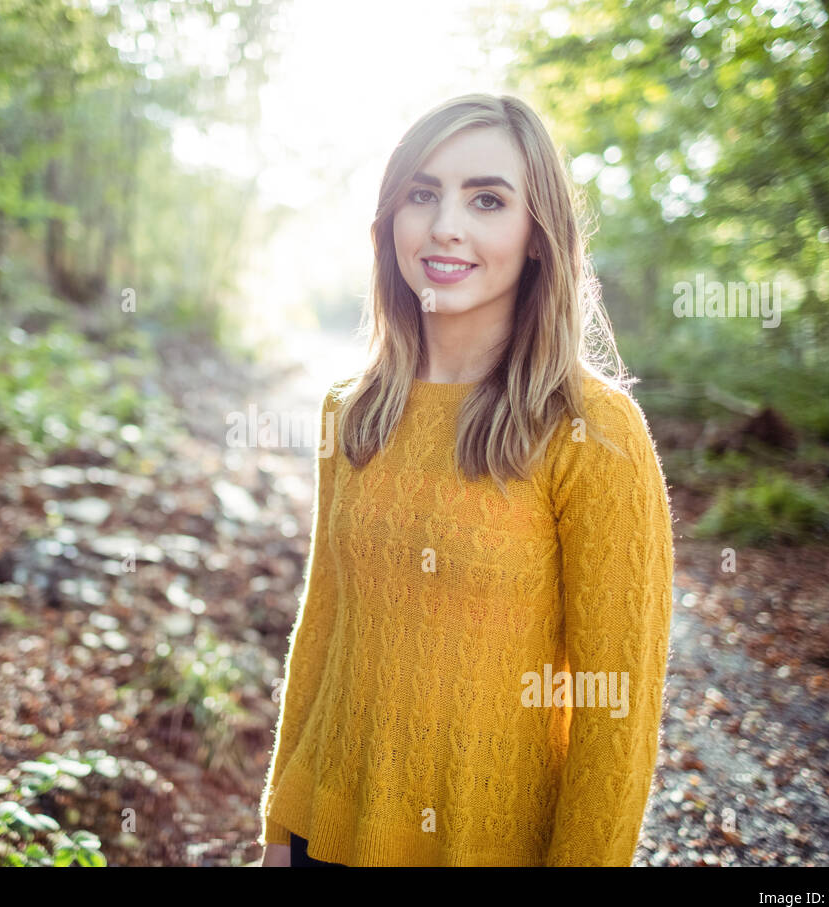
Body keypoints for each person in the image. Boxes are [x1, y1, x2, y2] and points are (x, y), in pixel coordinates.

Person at [258, 93, 675, 867]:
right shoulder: (352, 408)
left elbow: (614, 713)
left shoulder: (593, 430)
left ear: (539, 235)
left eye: (487, 198)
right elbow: (324, 627)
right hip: (323, 835)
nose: (445, 224)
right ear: (392, 221)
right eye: (423, 193)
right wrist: (281, 830)